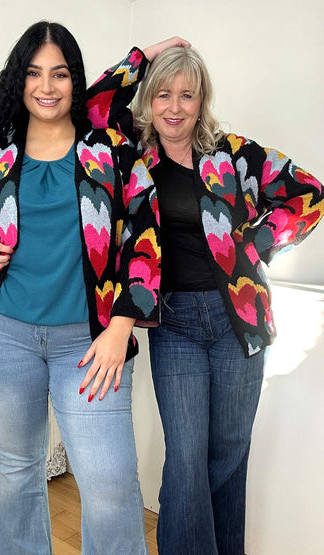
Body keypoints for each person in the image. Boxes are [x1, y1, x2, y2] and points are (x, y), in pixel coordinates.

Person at [87, 39, 324, 554]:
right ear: (149, 99)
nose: (174, 107)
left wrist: (257, 243)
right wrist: (143, 55)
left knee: (230, 453)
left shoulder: (235, 154)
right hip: (174, 323)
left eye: (187, 95)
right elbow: (91, 105)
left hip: (240, 320)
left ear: (202, 100)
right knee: (187, 459)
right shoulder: (133, 153)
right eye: (163, 94)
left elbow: (309, 192)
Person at [0, 21, 161, 555]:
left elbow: (145, 233)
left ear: (75, 82)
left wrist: (120, 326)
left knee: (110, 482)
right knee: (18, 470)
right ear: (19, 82)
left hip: (90, 344)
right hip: (1, 338)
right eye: (34, 73)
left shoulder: (109, 150)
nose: (47, 86)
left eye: (60, 74)